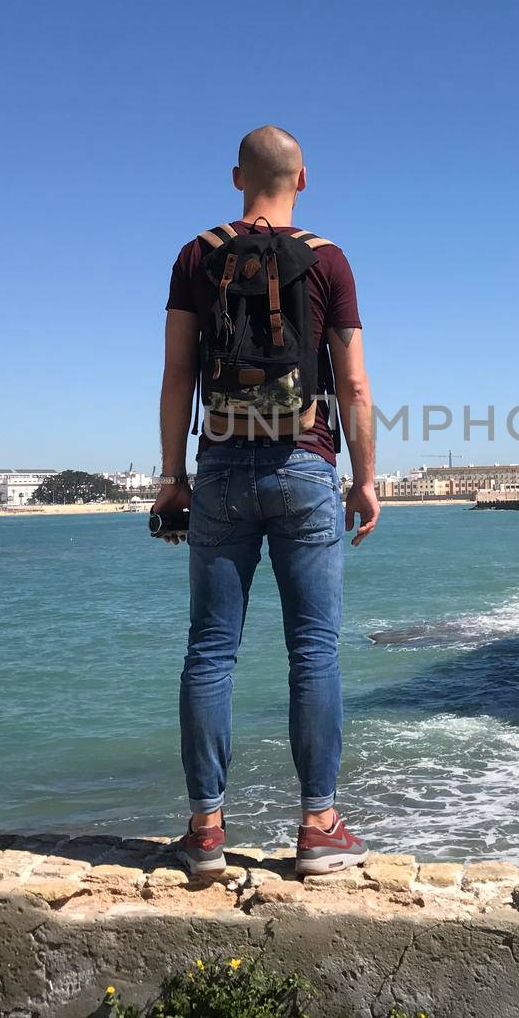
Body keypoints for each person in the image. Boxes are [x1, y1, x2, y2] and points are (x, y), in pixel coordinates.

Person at [151, 125, 380, 876]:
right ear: (303, 180)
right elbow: (352, 385)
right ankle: (318, 827)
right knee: (312, 650)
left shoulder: (195, 255)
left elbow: (176, 378)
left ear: (235, 177)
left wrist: (172, 477)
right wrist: (366, 480)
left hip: (217, 468)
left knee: (210, 652)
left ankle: (206, 831)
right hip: (305, 464)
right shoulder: (328, 259)